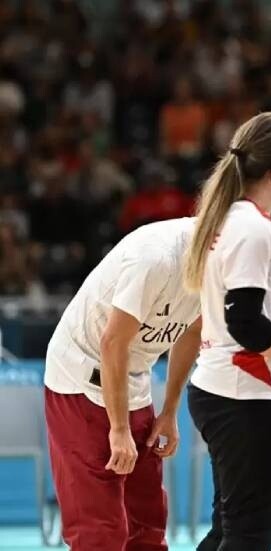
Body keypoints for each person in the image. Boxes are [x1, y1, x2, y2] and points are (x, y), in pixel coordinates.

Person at [182, 112, 271, 551]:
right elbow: (247, 323)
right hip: (241, 392)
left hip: (224, 387)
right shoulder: (253, 229)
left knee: (230, 526)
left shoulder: (231, 220)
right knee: (249, 531)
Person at [44, 216, 202, 551]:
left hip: (133, 377)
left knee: (147, 522)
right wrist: (118, 429)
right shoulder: (156, 255)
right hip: (81, 375)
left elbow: (192, 330)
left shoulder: (226, 265)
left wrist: (169, 411)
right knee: (99, 531)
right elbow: (112, 343)